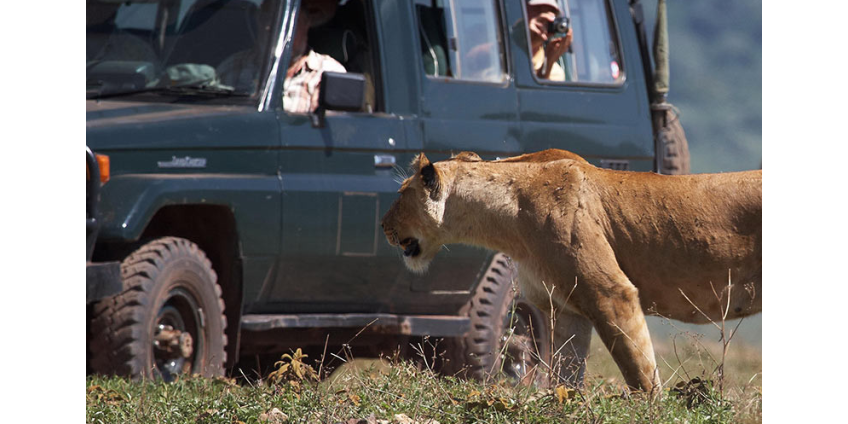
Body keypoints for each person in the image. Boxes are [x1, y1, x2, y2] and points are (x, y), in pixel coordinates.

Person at [282, 0, 346, 113]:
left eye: (288, 25)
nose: (279, 33)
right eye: (266, 20)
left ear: (306, 24)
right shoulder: (240, 66)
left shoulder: (327, 73)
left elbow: (333, 127)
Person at [526, 0, 573, 81]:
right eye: (537, 9)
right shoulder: (503, 50)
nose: (543, 17)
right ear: (524, 11)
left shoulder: (555, 72)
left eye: (550, 12)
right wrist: (525, 41)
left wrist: (548, 63)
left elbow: (536, 92)